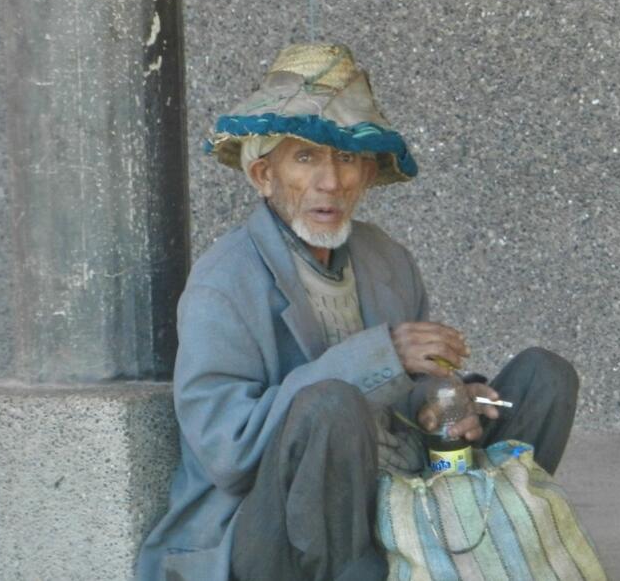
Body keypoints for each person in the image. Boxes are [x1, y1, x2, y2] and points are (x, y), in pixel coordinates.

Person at [137, 43, 579, 581]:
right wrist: (376, 356)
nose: (331, 182)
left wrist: (447, 400)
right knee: (329, 406)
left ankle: (493, 542)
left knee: (545, 375)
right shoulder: (223, 282)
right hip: (277, 535)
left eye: (347, 158)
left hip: (397, 497)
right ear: (263, 175)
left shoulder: (385, 257)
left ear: (368, 174)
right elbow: (229, 454)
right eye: (305, 157)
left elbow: (411, 388)